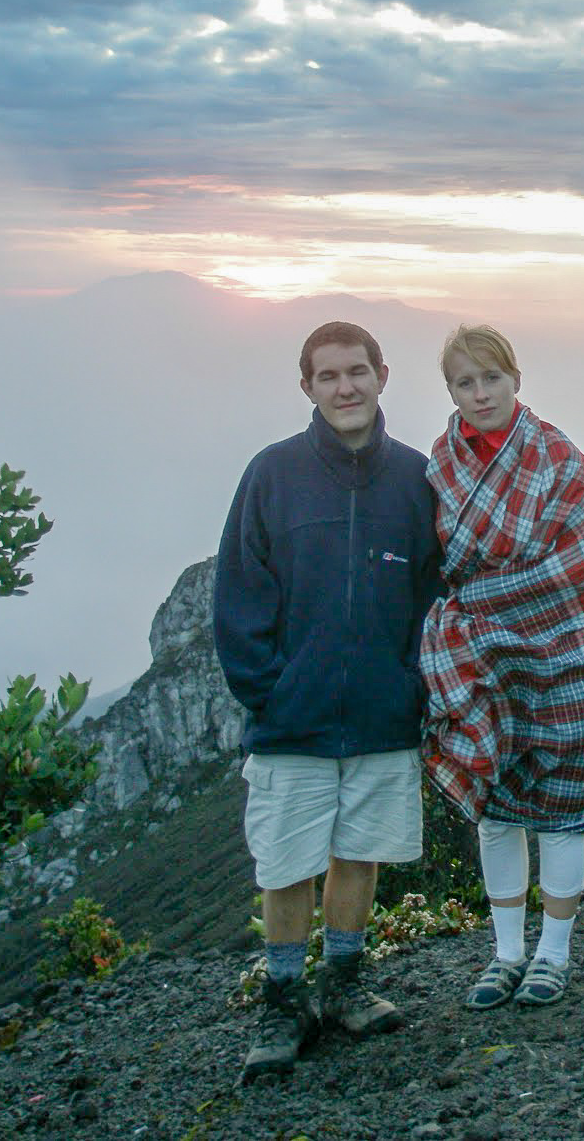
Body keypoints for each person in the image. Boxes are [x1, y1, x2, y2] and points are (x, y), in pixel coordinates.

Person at [214, 321, 442, 1081]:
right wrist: (270, 693)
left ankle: (343, 984)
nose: (345, 388)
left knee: (360, 853)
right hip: (292, 719)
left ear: (383, 375)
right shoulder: (272, 474)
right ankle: (284, 998)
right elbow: (240, 593)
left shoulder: (415, 478)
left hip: (383, 714)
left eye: (357, 372)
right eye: (327, 376)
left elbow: (432, 596)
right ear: (305, 386)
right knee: (285, 865)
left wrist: (412, 683)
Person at [419, 324, 584, 1010]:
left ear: (515, 379)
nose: (480, 394)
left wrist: (489, 601)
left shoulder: (558, 459)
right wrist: (476, 613)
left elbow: (582, 570)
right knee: (496, 811)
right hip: (484, 662)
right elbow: (440, 567)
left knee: (561, 813)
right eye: (464, 383)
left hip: (566, 654)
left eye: (491, 379)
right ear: (449, 390)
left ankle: (553, 955)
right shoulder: (441, 465)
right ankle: (505, 953)